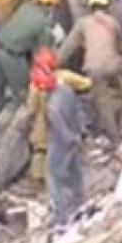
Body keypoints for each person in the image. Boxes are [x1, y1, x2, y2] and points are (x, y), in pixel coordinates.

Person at [58, 0, 122, 140]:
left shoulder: (82, 24)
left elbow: (68, 48)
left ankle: (115, 137)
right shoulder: (113, 22)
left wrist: (53, 63)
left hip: (95, 69)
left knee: (102, 101)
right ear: (106, 7)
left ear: (91, 8)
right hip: (114, 65)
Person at [26, 49, 92, 218]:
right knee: (73, 166)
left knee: (53, 173)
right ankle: (79, 200)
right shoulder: (66, 82)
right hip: (71, 130)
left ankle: (62, 216)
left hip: (55, 133)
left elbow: (32, 109)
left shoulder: (44, 96)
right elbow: (85, 85)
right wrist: (80, 133)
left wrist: (70, 138)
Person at [0, 0, 61, 115]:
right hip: (12, 56)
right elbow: (42, 55)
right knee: (24, 94)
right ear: (51, 5)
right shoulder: (43, 23)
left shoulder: (25, 7)